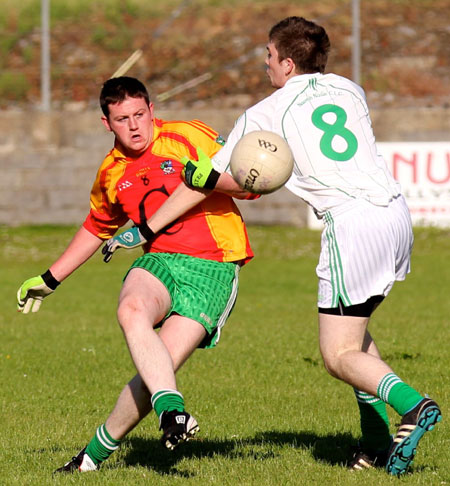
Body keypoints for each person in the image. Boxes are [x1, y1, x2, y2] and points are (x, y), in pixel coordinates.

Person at [134, 17, 442, 476]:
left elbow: (229, 180)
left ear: (289, 62)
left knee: (338, 355)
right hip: (396, 214)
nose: (265, 64)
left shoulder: (264, 113)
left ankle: (414, 406)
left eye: (270, 56)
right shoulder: (350, 89)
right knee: (354, 331)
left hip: (353, 225)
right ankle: (375, 444)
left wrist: (155, 219)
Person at [16, 76, 256, 473]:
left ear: (151, 110)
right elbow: (97, 226)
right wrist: (49, 278)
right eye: (122, 118)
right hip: (159, 260)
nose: (134, 126)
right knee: (131, 308)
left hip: (213, 268)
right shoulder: (111, 171)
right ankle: (172, 412)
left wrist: (213, 178)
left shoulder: (186, 136)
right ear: (105, 123)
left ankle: (91, 458)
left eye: (140, 115)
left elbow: (248, 185)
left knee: (155, 375)